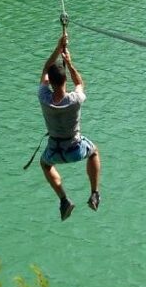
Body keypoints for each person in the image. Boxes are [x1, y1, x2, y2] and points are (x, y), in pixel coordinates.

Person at [38, 33, 101, 220]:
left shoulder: (43, 97)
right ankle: (94, 193)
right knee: (94, 152)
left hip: (55, 151)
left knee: (45, 164)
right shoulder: (75, 99)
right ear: (65, 81)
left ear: (50, 81)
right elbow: (80, 83)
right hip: (75, 149)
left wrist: (58, 47)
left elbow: (44, 71)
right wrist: (69, 63)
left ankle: (64, 199)